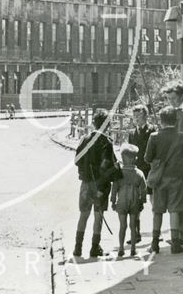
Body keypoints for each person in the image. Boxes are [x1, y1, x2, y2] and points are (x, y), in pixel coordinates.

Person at [144, 106, 183, 254]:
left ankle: (154, 244)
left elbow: (147, 158)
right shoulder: (182, 136)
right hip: (177, 178)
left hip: (159, 179)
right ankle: (175, 244)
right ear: (176, 119)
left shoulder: (154, 136)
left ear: (161, 120)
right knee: (174, 210)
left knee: (158, 211)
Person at [73, 108, 118, 258]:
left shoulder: (85, 139)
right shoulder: (107, 142)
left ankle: (77, 248)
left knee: (83, 215)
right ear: (107, 125)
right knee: (98, 216)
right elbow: (108, 167)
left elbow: (77, 160)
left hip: (85, 184)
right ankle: (94, 247)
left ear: (93, 123)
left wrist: (85, 171)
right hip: (101, 185)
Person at [163, 82, 183, 245]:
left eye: (174, 98)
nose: (171, 102)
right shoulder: (179, 112)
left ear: (182, 96)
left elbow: (182, 137)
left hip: (182, 160)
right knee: (180, 196)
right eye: (169, 99)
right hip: (177, 159)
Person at [111, 144, 147, 257]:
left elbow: (114, 188)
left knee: (122, 226)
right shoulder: (139, 173)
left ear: (123, 158)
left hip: (122, 201)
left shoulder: (118, 173)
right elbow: (144, 189)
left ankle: (121, 248)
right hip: (135, 201)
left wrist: (113, 201)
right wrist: (142, 201)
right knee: (133, 226)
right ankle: (133, 249)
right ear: (134, 159)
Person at [127, 104, 156, 242]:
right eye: (134, 116)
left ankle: (156, 232)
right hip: (137, 172)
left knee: (154, 200)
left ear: (146, 117)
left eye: (139, 116)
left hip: (150, 170)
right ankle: (136, 233)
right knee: (135, 202)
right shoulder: (132, 133)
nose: (136, 119)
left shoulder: (152, 131)